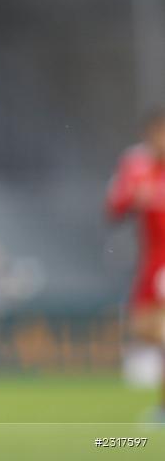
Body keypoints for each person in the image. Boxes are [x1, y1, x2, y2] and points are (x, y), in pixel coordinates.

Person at [107, 108, 165, 421]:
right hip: (153, 259)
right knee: (142, 328)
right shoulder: (137, 165)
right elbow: (113, 207)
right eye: (157, 133)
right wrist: (133, 196)